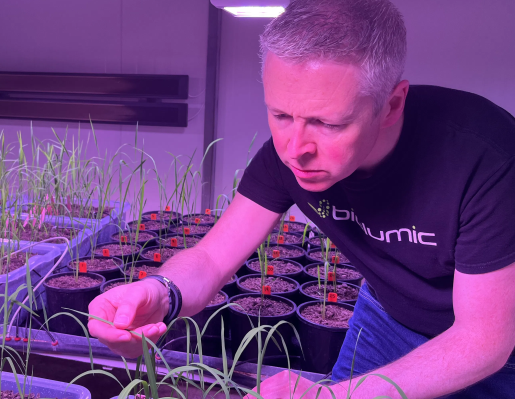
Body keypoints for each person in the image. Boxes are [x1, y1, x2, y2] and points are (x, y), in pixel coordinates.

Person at [88, 0, 515, 397]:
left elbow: (483, 339)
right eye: (280, 115)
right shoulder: (288, 156)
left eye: (326, 123)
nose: (295, 147)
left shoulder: (485, 158)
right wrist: (160, 294)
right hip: (389, 313)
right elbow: (213, 259)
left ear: (391, 105)